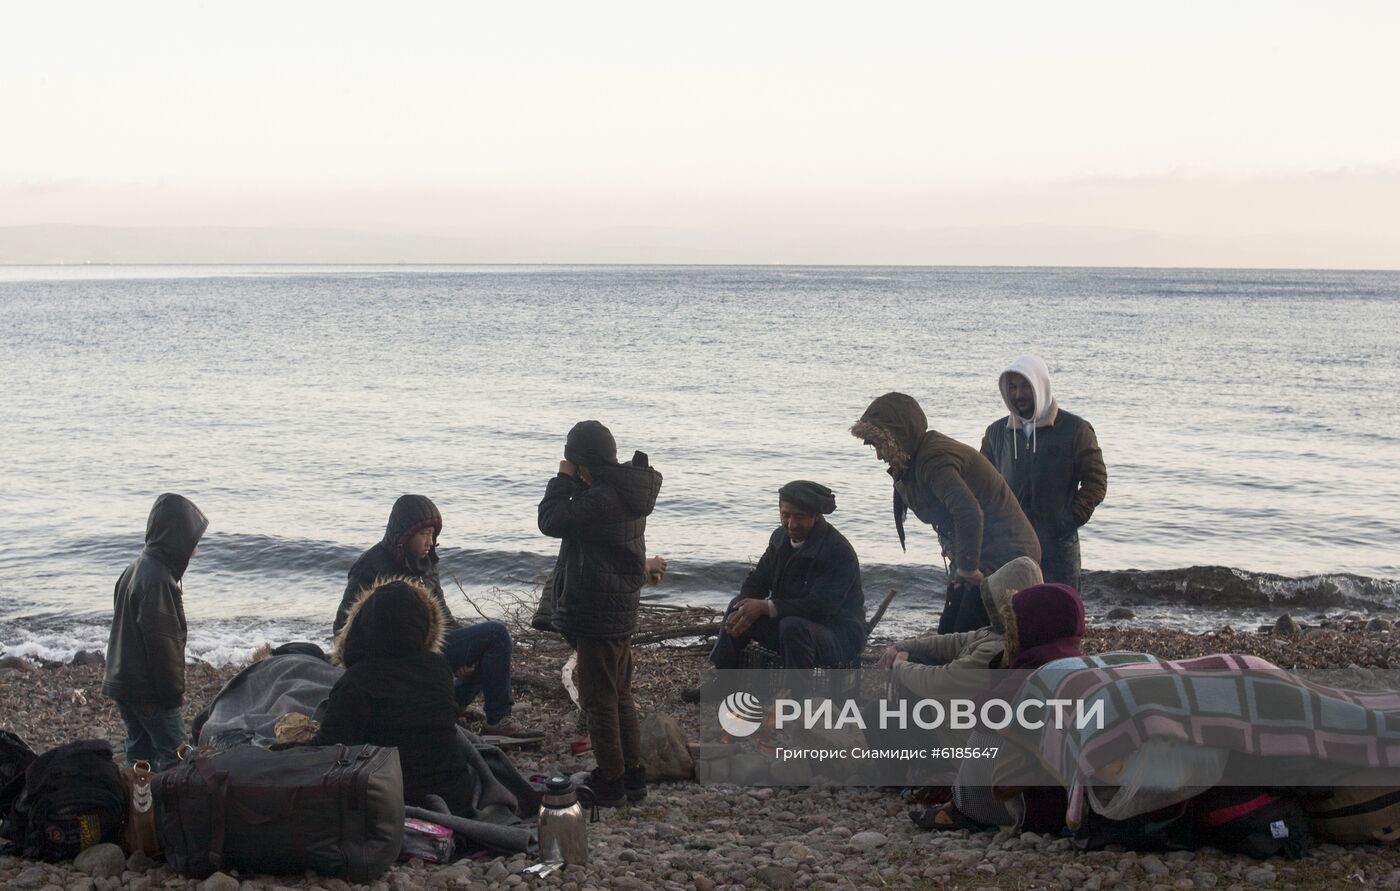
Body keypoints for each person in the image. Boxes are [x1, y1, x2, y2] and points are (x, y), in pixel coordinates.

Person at [335, 495, 538, 738]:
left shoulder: (426, 563)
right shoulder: (370, 567)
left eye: (433, 534)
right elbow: (342, 628)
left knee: (490, 641)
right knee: (496, 633)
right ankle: (466, 713)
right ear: (405, 534)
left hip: (427, 650)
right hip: (389, 659)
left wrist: (463, 654)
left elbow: (442, 617)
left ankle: (461, 710)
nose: (430, 542)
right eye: (424, 534)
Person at [538, 420, 662, 807]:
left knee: (598, 699)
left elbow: (551, 520)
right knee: (618, 694)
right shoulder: (621, 491)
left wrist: (562, 477)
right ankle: (632, 775)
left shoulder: (602, 499)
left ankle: (611, 780)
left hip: (596, 612)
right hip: (617, 608)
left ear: (582, 461)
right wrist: (580, 478)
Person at [852, 392, 1040, 634]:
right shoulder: (913, 460)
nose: (878, 455)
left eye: (879, 444)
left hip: (1006, 556)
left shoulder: (933, 460)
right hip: (980, 550)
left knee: (970, 634)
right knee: (949, 630)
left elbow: (968, 511)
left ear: (896, 437)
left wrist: (968, 568)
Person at [307, 578, 476, 814]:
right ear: (424, 625)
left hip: (393, 801)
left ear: (363, 627)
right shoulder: (439, 669)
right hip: (456, 796)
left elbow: (328, 750)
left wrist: (284, 750)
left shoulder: (357, 681)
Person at [708, 480, 866, 671]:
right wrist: (742, 610)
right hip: (789, 624)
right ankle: (721, 678)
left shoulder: (838, 551)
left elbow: (821, 607)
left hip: (839, 635)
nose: (791, 524)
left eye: (799, 517)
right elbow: (757, 582)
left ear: (815, 515)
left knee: (793, 627)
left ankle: (797, 697)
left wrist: (766, 607)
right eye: (786, 515)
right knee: (739, 605)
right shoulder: (779, 538)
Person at [980, 355, 1107, 589]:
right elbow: (982, 485)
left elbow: (1096, 481)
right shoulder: (996, 433)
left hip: (1058, 547)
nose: (1018, 394)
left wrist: (1067, 521)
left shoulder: (1076, 430)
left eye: (1026, 386)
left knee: (1060, 614)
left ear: (1040, 385)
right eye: (1013, 387)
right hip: (1010, 546)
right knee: (1013, 615)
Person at [102, 493, 208, 771]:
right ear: (176, 538)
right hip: (149, 690)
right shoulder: (158, 579)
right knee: (178, 756)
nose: (196, 546)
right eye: (192, 539)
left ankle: (138, 808)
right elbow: (163, 645)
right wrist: (172, 695)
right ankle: (171, 812)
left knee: (139, 754)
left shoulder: (135, 568)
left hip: (123, 681)